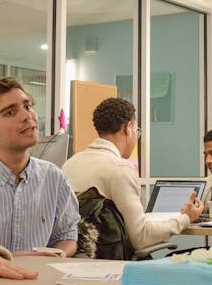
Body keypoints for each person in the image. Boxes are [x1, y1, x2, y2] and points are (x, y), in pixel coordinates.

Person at [0, 77, 80, 280]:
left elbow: (67, 236)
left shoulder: (54, 177)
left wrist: (55, 254)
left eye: (27, 106)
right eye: (10, 112)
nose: (27, 116)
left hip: (35, 284)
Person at [62, 97, 203, 251]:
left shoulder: (70, 164)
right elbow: (141, 237)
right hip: (111, 263)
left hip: (75, 258)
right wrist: (186, 218)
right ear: (128, 128)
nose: (136, 137)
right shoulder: (120, 168)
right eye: (137, 131)